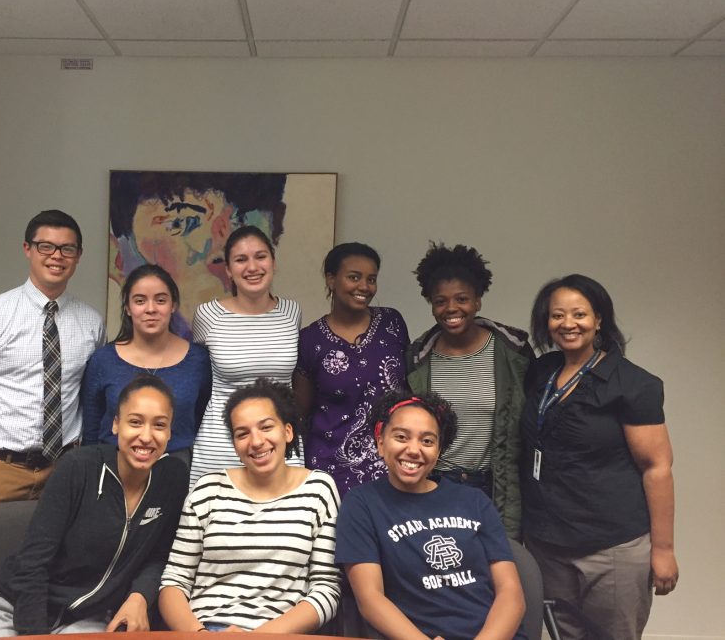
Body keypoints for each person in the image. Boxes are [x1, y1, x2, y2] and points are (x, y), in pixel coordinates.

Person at [0, 375, 188, 637]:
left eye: (159, 425)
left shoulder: (171, 479)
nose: (146, 436)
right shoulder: (78, 468)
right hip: (15, 606)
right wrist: (34, 633)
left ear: (171, 431)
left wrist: (139, 597)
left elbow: (159, 555)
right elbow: (33, 562)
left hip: (88, 617)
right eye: (135, 422)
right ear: (116, 425)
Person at [520, 274, 678, 640]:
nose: (568, 324)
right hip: (548, 543)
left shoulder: (633, 385)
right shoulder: (542, 372)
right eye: (557, 315)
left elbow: (657, 468)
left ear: (599, 319)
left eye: (579, 314)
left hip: (612, 549)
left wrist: (664, 549)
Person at [0, 209, 105, 532]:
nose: (56, 256)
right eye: (45, 246)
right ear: (28, 249)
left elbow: (86, 397)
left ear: (78, 255)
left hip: (60, 470)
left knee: (49, 572)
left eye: (67, 248)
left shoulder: (91, 323)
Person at [336, 390, 526, 640]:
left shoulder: (474, 501)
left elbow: (511, 593)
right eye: (401, 437)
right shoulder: (361, 504)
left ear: (438, 451)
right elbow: (371, 599)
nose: (414, 450)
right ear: (381, 443)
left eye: (427, 441)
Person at [159, 378, 341, 633]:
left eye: (266, 427)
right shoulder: (208, 490)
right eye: (242, 433)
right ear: (235, 444)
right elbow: (174, 582)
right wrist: (200, 635)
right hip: (205, 630)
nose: (256, 442)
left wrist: (260, 637)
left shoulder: (319, 490)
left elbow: (326, 588)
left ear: (288, 432)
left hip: (280, 634)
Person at [406, 242, 532, 538]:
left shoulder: (513, 354)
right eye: (440, 301)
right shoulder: (417, 359)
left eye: (461, 298)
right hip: (435, 483)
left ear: (478, 301)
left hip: (493, 486)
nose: (451, 309)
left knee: (491, 572)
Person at [189, 225, 303, 487]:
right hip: (221, 443)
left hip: (279, 443)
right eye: (241, 260)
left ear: (273, 262)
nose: (252, 267)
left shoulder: (291, 313)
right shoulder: (208, 315)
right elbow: (199, 377)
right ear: (228, 269)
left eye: (260, 256)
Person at [109, 171, 288, 336]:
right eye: (180, 223)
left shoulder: (288, 315)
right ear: (118, 256)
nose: (221, 244)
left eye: (240, 221)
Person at [293, 242, 409, 496]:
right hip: (330, 470)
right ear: (331, 280)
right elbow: (300, 413)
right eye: (354, 277)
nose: (364, 287)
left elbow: (409, 390)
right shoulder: (310, 340)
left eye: (371, 279)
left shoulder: (392, 323)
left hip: (392, 464)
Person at [81, 264, 211, 469]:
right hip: (114, 467)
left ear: (173, 305)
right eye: (140, 301)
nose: (151, 309)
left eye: (160, 300)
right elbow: (91, 429)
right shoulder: (103, 360)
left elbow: (203, 420)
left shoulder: (198, 360)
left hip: (178, 469)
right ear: (127, 308)